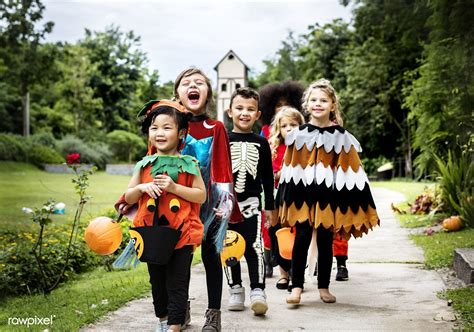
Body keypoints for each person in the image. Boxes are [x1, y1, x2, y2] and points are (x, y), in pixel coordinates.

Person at [275, 78, 380, 305]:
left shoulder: (341, 137)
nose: (318, 104)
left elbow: (351, 171)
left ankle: (324, 286)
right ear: (307, 104)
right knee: (301, 238)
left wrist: (357, 200)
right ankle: (296, 287)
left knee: (324, 240)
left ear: (333, 105)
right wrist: (283, 199)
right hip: (302, 198)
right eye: (313, 100)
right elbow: (289, 169)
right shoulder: (298, 135)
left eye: (324, 100)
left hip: (327, 199)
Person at [124, 100, 206, 332]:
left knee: (178, 283)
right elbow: (128, 197)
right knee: (157, 282)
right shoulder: (144, 165)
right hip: (151, 235)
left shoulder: (188, 164)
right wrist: (141, 188)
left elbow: (200, 195)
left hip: (182, 233)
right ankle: (162, 319)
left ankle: (174, 326)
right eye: (154, 127)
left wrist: (174, 187)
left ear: (181, 133)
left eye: (167, 127)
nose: (159, 133)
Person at [175, 68, 240, 332]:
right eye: (186, 83)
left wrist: (226, 203)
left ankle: (214, 315)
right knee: (180, 259)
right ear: (177, 93)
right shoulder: (170, 123)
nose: (193, 86)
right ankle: (181, 310)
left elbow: (224, 165)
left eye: (199, 83)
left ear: (208, 94)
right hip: (178, 202)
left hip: (211, 203)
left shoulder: (216, 127)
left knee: (212, 257)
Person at [223, 87, 275, 316]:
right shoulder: (223, 139)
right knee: (229, 246)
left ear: (257, 114)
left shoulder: (261, 143)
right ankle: (235, 289)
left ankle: (258, 289)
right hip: (226, 205)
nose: (245, 113)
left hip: (252, 204)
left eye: (250, 109)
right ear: (230, 111)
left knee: (254, 248)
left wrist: (270, 207)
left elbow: (267, 178)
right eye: (240, 108)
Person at [258, 80, 305, 281]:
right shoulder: (269, 132)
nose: (283, 109)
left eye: (287, 104)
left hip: (295, 194)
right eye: (279, 105)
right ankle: (269, 262)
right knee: (270, 227)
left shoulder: (302, 138)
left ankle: (291, 265)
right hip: (275, 192)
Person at [267, 106, 305, 290]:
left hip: (299, 198)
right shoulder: (275, 148)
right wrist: (281, 173)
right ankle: (283, 274)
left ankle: (298, 275)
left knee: (299, 236)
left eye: (294, 124)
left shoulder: (305, 147)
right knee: (279, 234)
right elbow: (269, 174)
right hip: (279, 198)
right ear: (279, 129)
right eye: (284, 126)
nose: (289, 129)